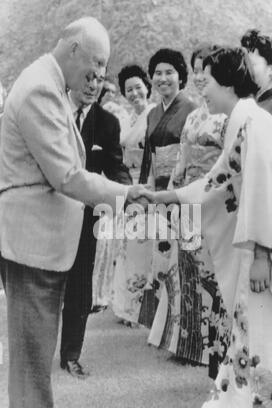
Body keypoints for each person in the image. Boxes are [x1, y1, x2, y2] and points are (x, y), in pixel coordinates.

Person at [0, 17, 149, 408]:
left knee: (38, 343)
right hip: (33, 241)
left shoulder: (48, 81)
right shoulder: (41, 89)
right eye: (96, 65)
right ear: (73, 51)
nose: (99, 76)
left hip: (40, 239)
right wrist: (125, 193)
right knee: (31, 348)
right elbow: (66, 174)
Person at [143, 47, 272, 408]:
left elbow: (266, 188)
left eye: (206, 81)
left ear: (228, 80)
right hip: (258, 248)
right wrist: (169, 197)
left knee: (267, 339)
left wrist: (263, 254)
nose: (202, 90)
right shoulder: (240, 120)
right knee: (249, 336)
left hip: (269, 251)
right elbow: (216, 181)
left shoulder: (254, 121)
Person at [148, 44, 229, 376]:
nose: (199, 77)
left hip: (215, 201)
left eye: (203, 71)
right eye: (196, 70)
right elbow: (181, 159)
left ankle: (214, 350)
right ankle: (189, 344)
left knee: (213, 275)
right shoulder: (195, 116)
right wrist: (170, 196)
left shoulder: (227, 115)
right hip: (188, 200)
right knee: (187, 270)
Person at [60, 70, 132, 379]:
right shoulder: (51, 113)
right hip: (45, 211)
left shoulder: (107, 122)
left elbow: (115, 167)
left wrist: (130, 197)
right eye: (86, 77)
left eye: (98, 80)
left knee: (80, 283)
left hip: (84, 214)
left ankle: (71, 354)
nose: (92, 85)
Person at [138, 48, 195, 328]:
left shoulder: (192, 110)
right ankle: (162, 326)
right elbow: (149, 157)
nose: (163, 78)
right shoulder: (151, 114)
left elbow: (191, 156)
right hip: (157, 189)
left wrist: (173, 188)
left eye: (169, 72)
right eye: (157, 73)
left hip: (181, 189)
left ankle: (182, 327)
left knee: (181, 257)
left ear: (180, 76)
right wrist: (147, 190)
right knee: (160, 255)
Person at [106, 64, 156, 325]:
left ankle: (141, 310)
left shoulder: (153, 115)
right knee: (127, 246)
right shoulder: (127, 118)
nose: (135, 93)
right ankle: (127, 308)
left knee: (142, 247)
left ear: (147, 87)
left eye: (138, 87)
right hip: (128, 184)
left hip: (146, 184)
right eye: (129, 90)